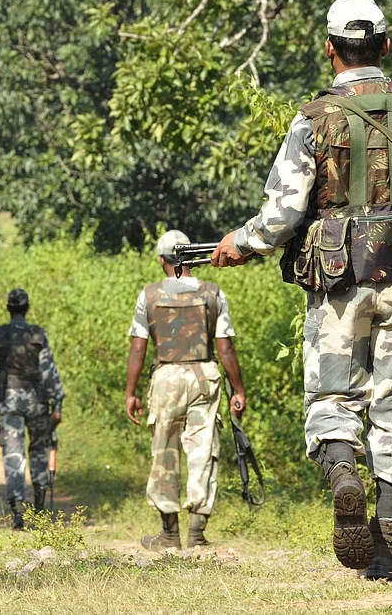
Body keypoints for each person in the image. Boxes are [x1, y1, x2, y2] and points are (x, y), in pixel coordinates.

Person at [209, 0, 392, 579]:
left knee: (332, 398)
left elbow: (284, 216)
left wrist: (242, 241)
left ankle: (343, 474)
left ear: (330, 49)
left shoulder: (314, 118)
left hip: (337, 286)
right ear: (384, 46)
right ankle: (384, 551)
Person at [124, 230, 247, 551]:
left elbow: (138, 349)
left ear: (162, 260)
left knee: (164, 449)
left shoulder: (148, 295)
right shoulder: (212, 293)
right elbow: (225, 347)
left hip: (165, 376)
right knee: (203, 448)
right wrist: (238, 389)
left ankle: (168, 534)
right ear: (191, 257)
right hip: (204, 375)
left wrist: (131, 392)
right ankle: (196, 532)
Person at [0, 289, 64, 530]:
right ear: (27, 308)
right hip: (38, 398)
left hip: (10, 398)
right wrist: (58, 403)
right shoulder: (38, 334)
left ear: (8, 308)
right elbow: (49, 371)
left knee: (13, 452)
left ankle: (18, 513)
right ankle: (41, 508)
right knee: (40, 451)